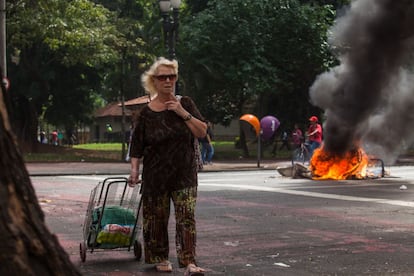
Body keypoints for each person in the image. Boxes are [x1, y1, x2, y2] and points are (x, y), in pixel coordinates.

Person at [128, 57, 207, 275]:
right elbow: (136, 147)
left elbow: (202, 132)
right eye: (163, 77)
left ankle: (189, 261)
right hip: (155, 176)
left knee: (186, 218)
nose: (168, 81)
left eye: (172, 76)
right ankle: (160, 257)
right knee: (156, 219)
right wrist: (134, 171)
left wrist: (182, 112)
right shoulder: (145, 113)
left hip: (184, 174)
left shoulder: (186, 103)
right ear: (154, 80)